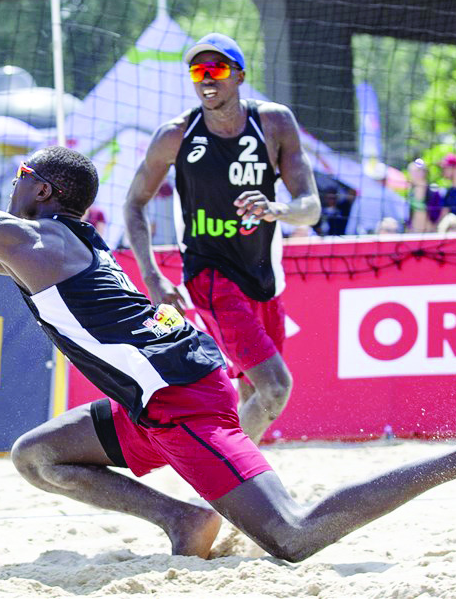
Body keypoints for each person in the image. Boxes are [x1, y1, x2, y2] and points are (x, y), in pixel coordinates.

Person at [0, 104, 456, 563]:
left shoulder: (26, 234)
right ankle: (184, 518)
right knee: (37, 456)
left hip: (180, 396)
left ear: (41, 189)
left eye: (18, 177)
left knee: (294, 537)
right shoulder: (48, 244)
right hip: (153, 394)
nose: (9, 185)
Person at [123, 33, 322, 444]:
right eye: (198, 71)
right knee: (276, 388)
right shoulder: (176, 135)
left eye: (216, 68)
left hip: (263, 278)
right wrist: (152, 276)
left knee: (254, 395)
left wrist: (276, 209)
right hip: (210, 276)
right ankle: (225, 471)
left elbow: (311, 207)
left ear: (240, 76)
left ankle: (237, 471)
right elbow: (133, 203)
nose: (207, 79)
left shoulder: (274, 123)